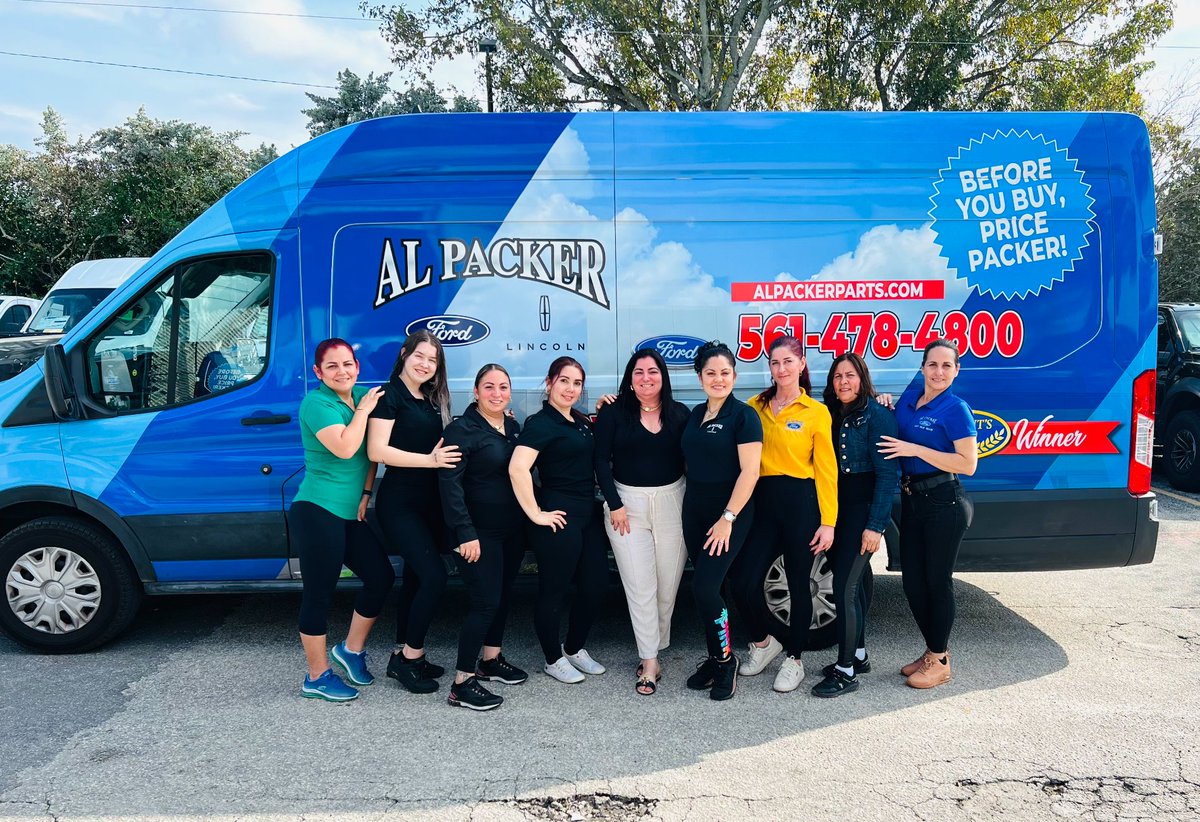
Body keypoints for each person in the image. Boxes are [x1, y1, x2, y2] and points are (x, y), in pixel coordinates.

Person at [289, 338, 395, 702]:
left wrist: (366, 494)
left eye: (347, 364)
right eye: (332, 366)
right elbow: (347, 447)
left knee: (381, 577)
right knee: (319, 594)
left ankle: (350, 650)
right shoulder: (316, 403)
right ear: (318, 372)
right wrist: (363, 411)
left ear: (357, 367)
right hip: (317, 510)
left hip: (350, 513)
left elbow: (371, 454)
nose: (342, 371)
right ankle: (316, 676)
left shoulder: (365, 396)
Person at [730, 335, 837, 693]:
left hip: (800, 504)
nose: (781, 369)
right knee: (743, 581)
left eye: (788, 361)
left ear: (802, 364)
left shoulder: (816, 412)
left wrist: (828, 522)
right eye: (775, 363)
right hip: (761, 502)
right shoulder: (755, 406)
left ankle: (795, 659)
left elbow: (826, 471)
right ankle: (764, 644)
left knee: (798, 584)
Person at [879, 338, 978, 689]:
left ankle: (940, 659)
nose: (939, 372)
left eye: (946, 366)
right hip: (912, 501)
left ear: (956, 370)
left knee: (937, 582)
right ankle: (932, 651)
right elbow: (893, 425)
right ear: (922, 368)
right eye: (932, 365)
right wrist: (884, 403)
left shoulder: (956, 409)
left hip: (944, 501)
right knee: (912, 583)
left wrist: (914, 449)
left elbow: (968, 464)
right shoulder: (909, 400)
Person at [367, 330, 461, 694]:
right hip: (401, 503)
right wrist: (430, 460)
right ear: (404, 354)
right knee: (434, 577)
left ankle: (404, 653)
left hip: (429, 502)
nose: (425, 364)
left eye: (432, 360)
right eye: (419, 356)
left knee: (416, 579)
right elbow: (377, 451)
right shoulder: (389, 396)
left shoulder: (429, 398)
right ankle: (409, 658)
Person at [594, 348, 689, 696]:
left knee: (667, 585)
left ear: (663, 376)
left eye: (652, 371)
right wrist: (614, 504)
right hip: (626, 507)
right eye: (638, 372)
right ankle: (649, 661)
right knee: (640, 586)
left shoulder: (681, 414)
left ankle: (655, 645)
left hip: (672, 502)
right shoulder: (613, 412)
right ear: (630, 379)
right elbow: (600, 461)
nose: (646, 378)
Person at [509, 357, 609, 684]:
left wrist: (604, 408)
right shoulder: (541, 423)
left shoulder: (579, 420)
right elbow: (517, 468)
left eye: (577, 383)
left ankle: (574, 648)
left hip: (587, 514)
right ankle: (553, 659)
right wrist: (535, 513)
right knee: (554, 589)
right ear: (550, 382)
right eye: (564, 381)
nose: (570, 388)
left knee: (596, 584)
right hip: (558, 516)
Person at [438, 364, 530, 711]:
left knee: (502, 596)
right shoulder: (461, 430)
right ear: (475, 392)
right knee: (485, 602)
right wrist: (465, 534)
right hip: (477, 534)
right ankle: (461, 683)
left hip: (511, 531)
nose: (496, 393)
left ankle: (490, 661)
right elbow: (450, 486)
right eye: (488, 386)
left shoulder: (512, 427)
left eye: (503, 387)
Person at [809, 352, 899, 697]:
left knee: (844, 589)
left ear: (862, 378)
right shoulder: (829, 413)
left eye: (850, 375)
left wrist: (875, 526)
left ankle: (845, 672)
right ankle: (858, 655)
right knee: (855, 586)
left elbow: (887, 476)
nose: (843, 381)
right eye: (837, 376)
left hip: (862, 515)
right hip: (837, 515)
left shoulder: (878, 415)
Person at [681, 341, 763, 701]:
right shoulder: (695, 413)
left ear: (735, 376)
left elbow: (750, 472)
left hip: (729, 516)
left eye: (725, 373)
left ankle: (726, 661)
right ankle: (716, 658)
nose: (718, 379)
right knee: (711, 591)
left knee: (704, 588)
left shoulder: (744, 416)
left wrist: (728, 517)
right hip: (695, 513)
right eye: (711, 373)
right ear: (700, 378)